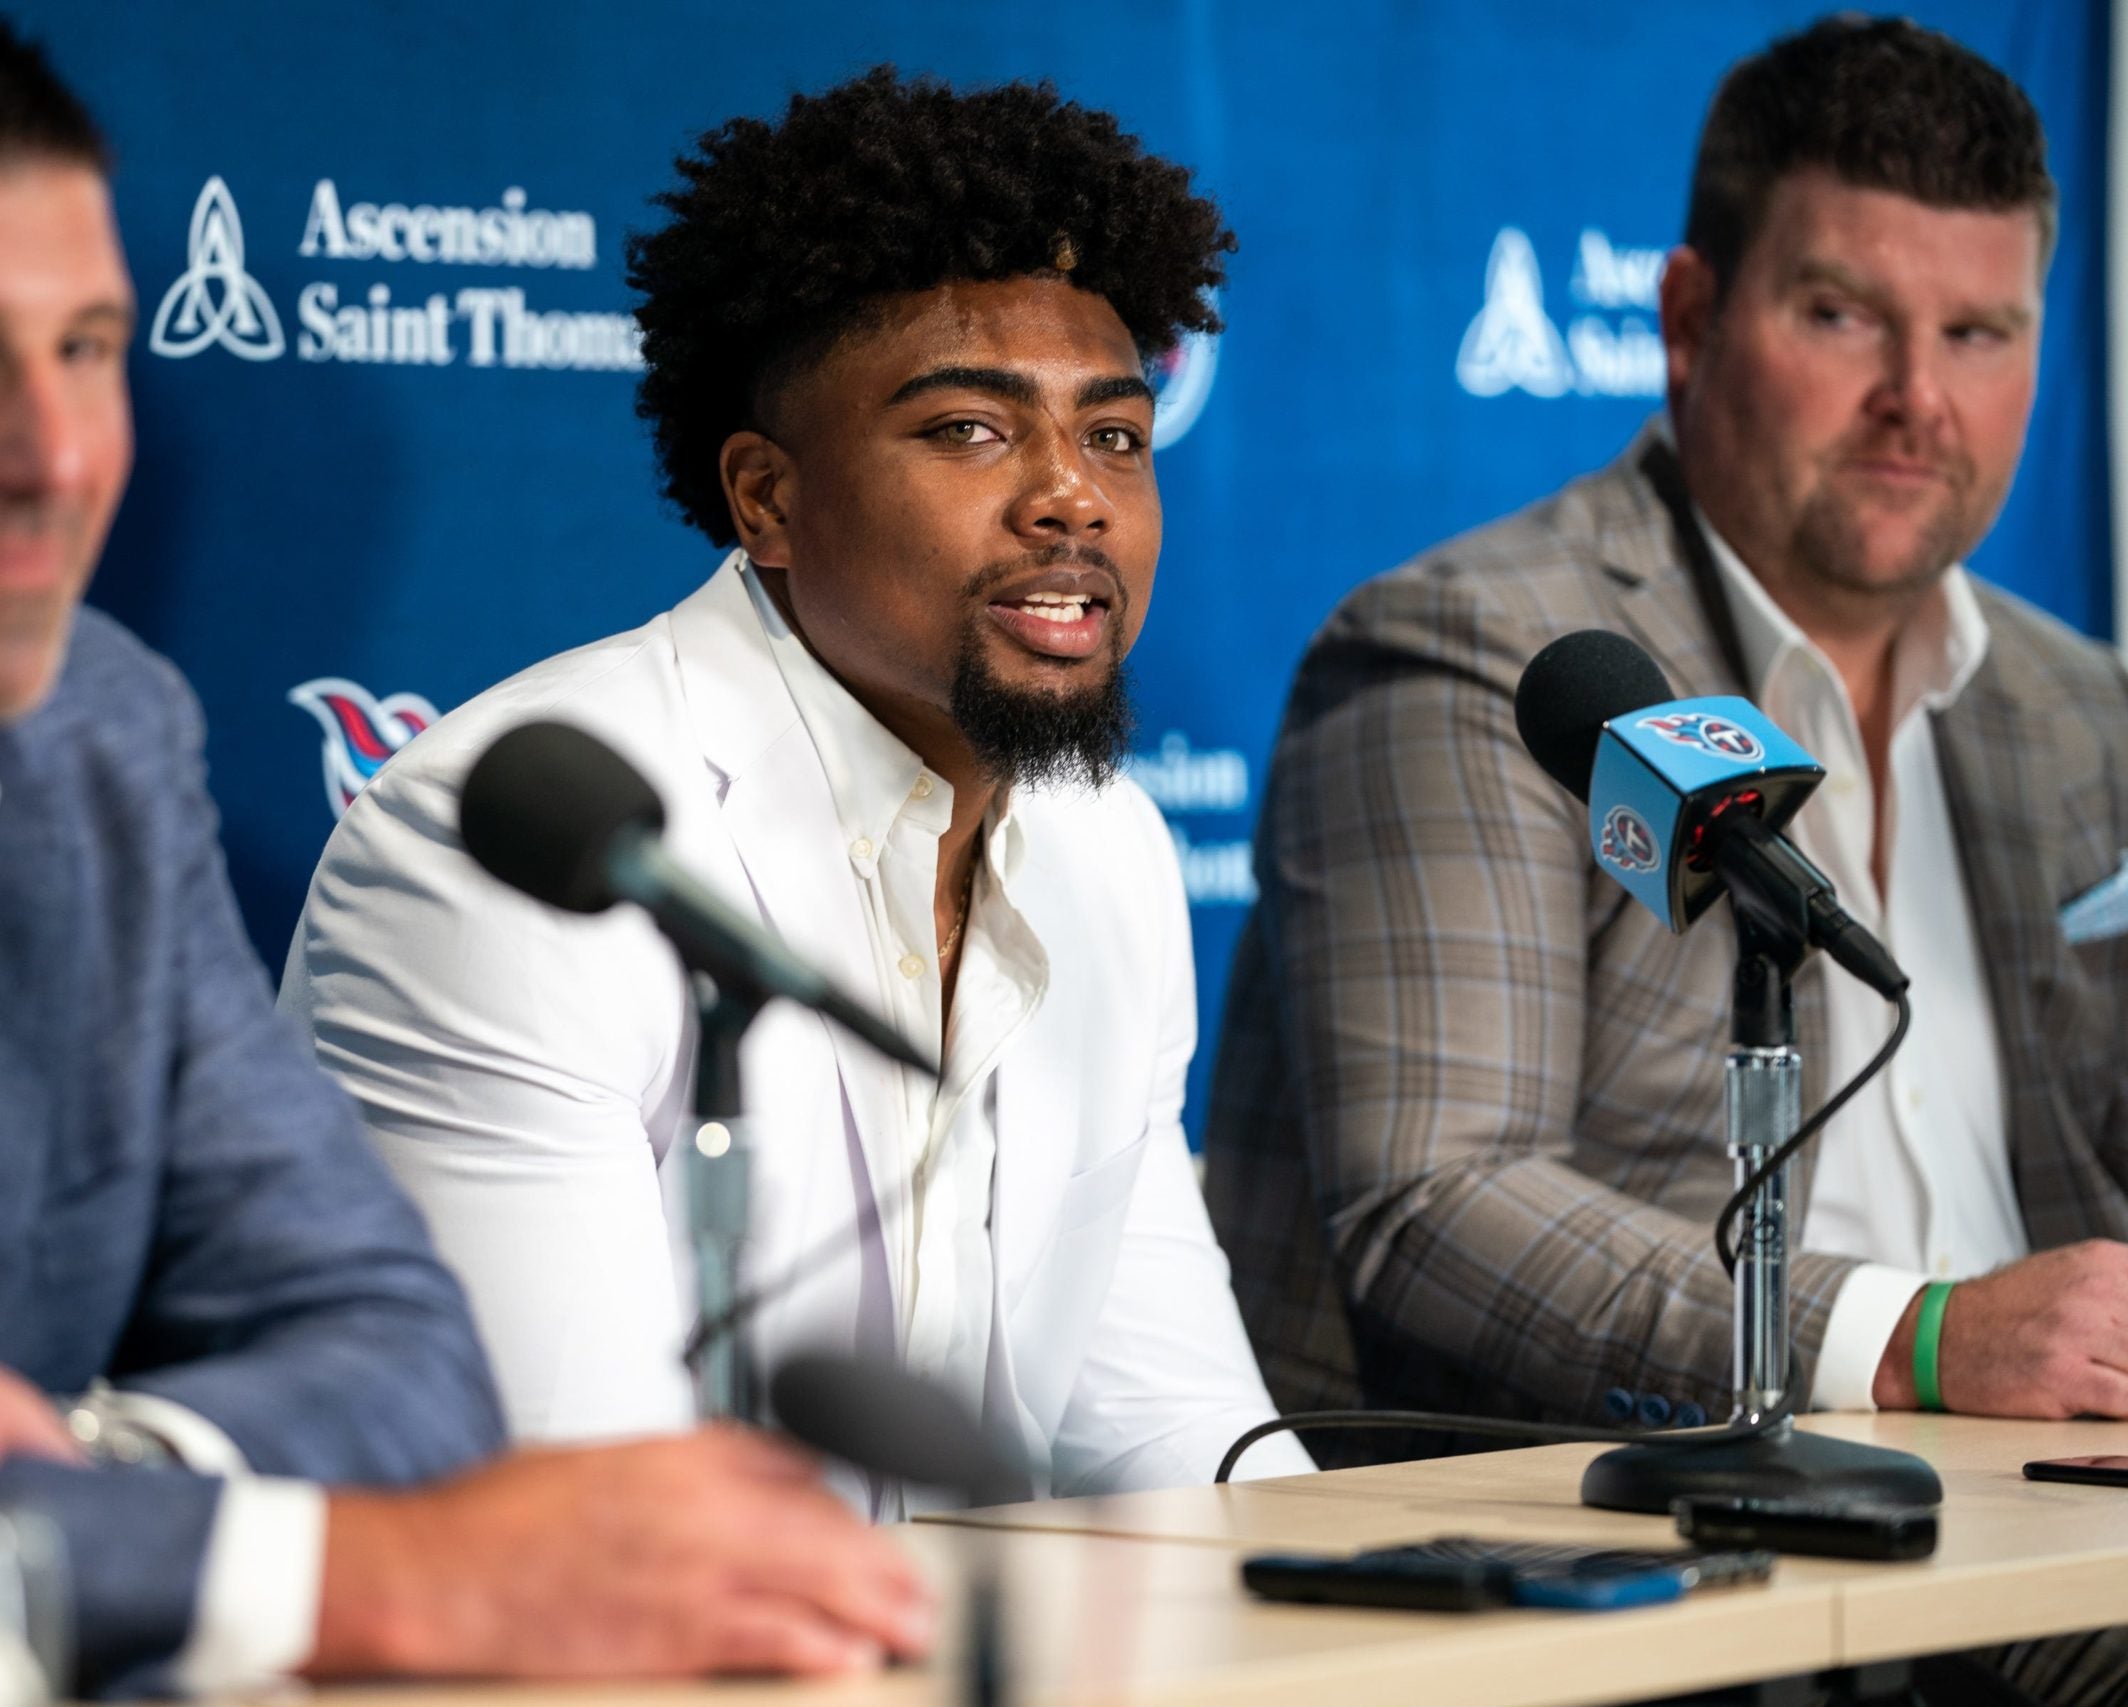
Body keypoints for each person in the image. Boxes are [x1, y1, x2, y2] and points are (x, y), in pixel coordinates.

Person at [0, 1, 926, 1696]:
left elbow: (404, 1356)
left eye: (83, 349)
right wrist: (338, 1573)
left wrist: (96, 1476)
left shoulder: (96, 742)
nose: (53, 458)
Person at [282, 67, 1316, 1500]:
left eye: (1115, 435)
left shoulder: (1111, 845)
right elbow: (584, 1514)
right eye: (969, 428)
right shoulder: (515, 862)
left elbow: (1181, 1442)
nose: (1070, 495)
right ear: (768, 498)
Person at [1206, 15, 2128, 1469]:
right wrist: (1919, 1336)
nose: (1919, 399)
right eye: (1842, 315)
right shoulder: (1484, 658)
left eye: (1979, 333)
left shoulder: (2083, 707)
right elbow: (1439, 1200)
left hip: (2056, 1491)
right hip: (1635, 1528)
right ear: (1689, 318)